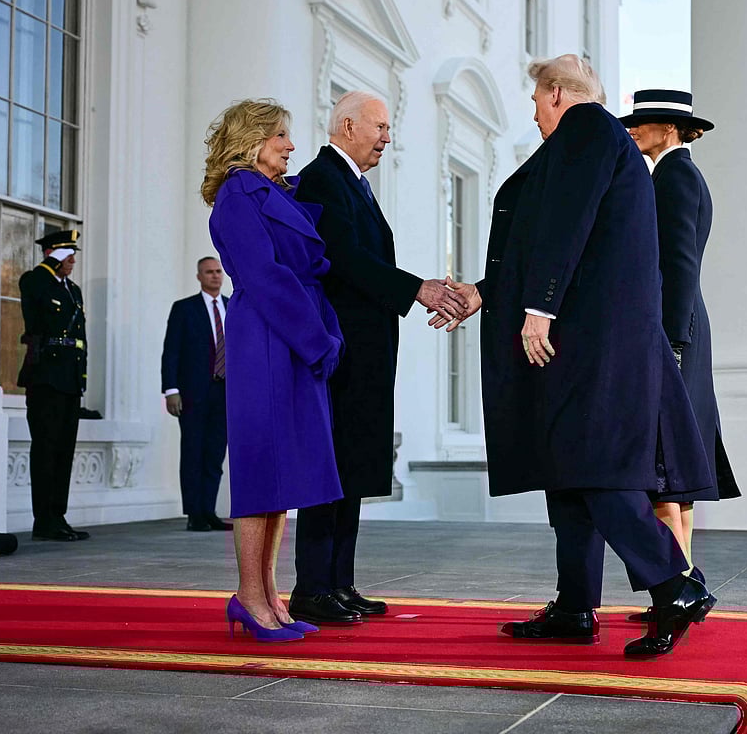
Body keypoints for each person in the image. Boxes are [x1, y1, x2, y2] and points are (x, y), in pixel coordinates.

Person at [444, 55, 716, 658]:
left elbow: (567, 227)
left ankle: (677, 585)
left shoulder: (589, 127)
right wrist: (482, 295)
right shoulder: (586, 144)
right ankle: (574, 606)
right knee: (567, 474)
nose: (536, 117)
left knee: (598, 472)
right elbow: (546, 243)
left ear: (558, 94)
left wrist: (538, 307)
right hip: (584, 343)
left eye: (538, 104)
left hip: (596, 346)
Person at [288, 91, 468, 625]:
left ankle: (339, 583)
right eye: (380, 126)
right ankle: (312, 587)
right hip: (339, 350)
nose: (387, 137)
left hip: (365, 351)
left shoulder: (355, 184)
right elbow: (344, 258)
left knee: (355, 467)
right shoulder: (322, 178)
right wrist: (420, 289)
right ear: (347, 126)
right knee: (333, 467)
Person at [204, 98, 343, 642]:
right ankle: (249, 597)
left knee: (284, 472)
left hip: (290, 334)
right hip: (267, 336)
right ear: (252, 139)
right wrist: (316, 339)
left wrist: (323, 335)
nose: (290, 145)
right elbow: (264, 276)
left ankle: (269, 596)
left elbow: (304, 273)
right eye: (281, 135)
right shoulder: (239, 193)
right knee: (263, 471)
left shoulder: (271, 193)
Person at [621, 89, 741, 600]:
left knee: (665, 471)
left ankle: (677, 591)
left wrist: (670, 340)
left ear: (669, 129)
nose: (632, 130)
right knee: (673, 476)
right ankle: (684, 580)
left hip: (675, 332)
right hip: (682, 328)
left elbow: (680, 264)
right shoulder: (673, 174)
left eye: (641, 123)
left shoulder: (674, 176)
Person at [18, 229, 91, 542]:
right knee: (46, 448)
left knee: (64, 451)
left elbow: (80, 338)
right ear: (53, 255)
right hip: (46, 376)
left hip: (70, 378)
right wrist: (49, 264)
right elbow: (35, 316)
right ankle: (43, 519)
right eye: (67, 254)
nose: (73, 260)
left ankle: (58, 515)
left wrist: (82, 377)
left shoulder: (73, 290)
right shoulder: (36, 280)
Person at [160, 256, 233, 533]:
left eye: (218, 272)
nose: (215, 276)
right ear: (199, 276)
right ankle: (194, 513)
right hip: (192, 393)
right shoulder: (184, 309)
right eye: (209, 272)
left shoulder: (232, 307)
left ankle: (209, 510)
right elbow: (172, 352)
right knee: (193, 452)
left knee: (215, 454)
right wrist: (171, 390)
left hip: (225, 392)